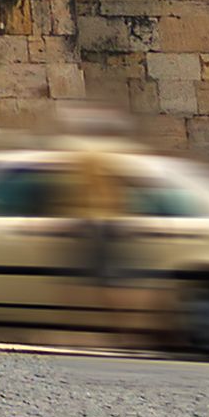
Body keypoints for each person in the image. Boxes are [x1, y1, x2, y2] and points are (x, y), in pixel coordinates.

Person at [51, 110, 144, 350]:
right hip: (117, 221)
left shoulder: (82, 152)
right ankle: (125, 331)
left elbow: (68, 187)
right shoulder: (122, 151)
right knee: (113, 281)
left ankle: (75, 332)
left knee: (77, 281)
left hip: (90, 222)